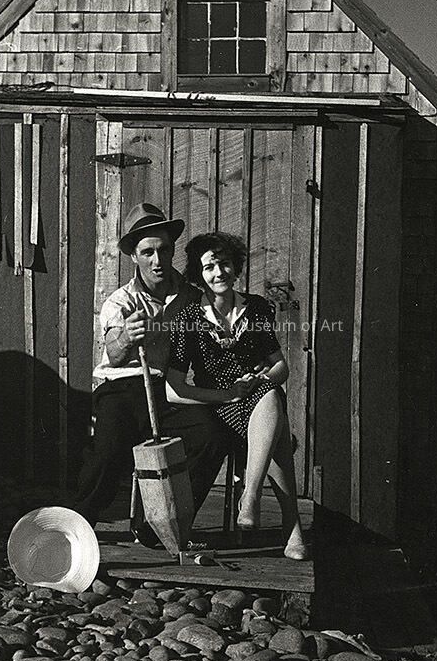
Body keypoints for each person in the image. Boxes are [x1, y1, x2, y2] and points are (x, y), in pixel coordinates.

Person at [74, 203, 227, 543]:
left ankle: (160, 522)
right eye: (148, 252)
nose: (157, 260)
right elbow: (114, 356)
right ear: (134, 256)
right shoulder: (121, 301)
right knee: (108, 450)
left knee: (211, 436)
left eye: (164, 250)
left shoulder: (191, 297)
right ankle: (77, 526)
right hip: (122, 388)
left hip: (166, 390)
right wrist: (127, 337)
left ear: (172, 251)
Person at [165, 232, 309, 561]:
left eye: (225, 264)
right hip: (219, 405)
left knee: (270, 395)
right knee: (277, 426)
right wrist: (226, 395)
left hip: (256, 395)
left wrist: (259, 378)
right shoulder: (188, 318)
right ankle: (291, 527)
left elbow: (281, 367)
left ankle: (251, 494)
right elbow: (174, 390)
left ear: (236, 266)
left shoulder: (255, 308)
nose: (219, 273)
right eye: (209, 267)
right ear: (199, 274)